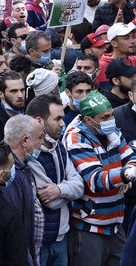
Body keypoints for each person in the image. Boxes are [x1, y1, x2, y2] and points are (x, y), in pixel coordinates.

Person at [65, 91, 136, 266]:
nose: (110, 119)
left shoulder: (112, 131)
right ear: (88, 120)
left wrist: (125, 174)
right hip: (90, 225)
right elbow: (96, 179)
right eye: (104, 117)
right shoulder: (76, 137)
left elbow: (131, 158)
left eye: (111, 114)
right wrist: (125, 175)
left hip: (116, 221)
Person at [26, 95, 85, 265]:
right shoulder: (30, 155)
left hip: (62, 238)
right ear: (39, 121)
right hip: (40, 241)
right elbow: (49, 201)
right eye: (57, 118)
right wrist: (69, 190)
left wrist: (59, 190)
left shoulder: (59, 146)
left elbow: (79, 185)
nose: (63, 123)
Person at [3, 114, 45, 265]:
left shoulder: (23, 167)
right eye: (40, 137)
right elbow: (15, 226)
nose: (42, 143)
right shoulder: (8, 173)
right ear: (25, 141)